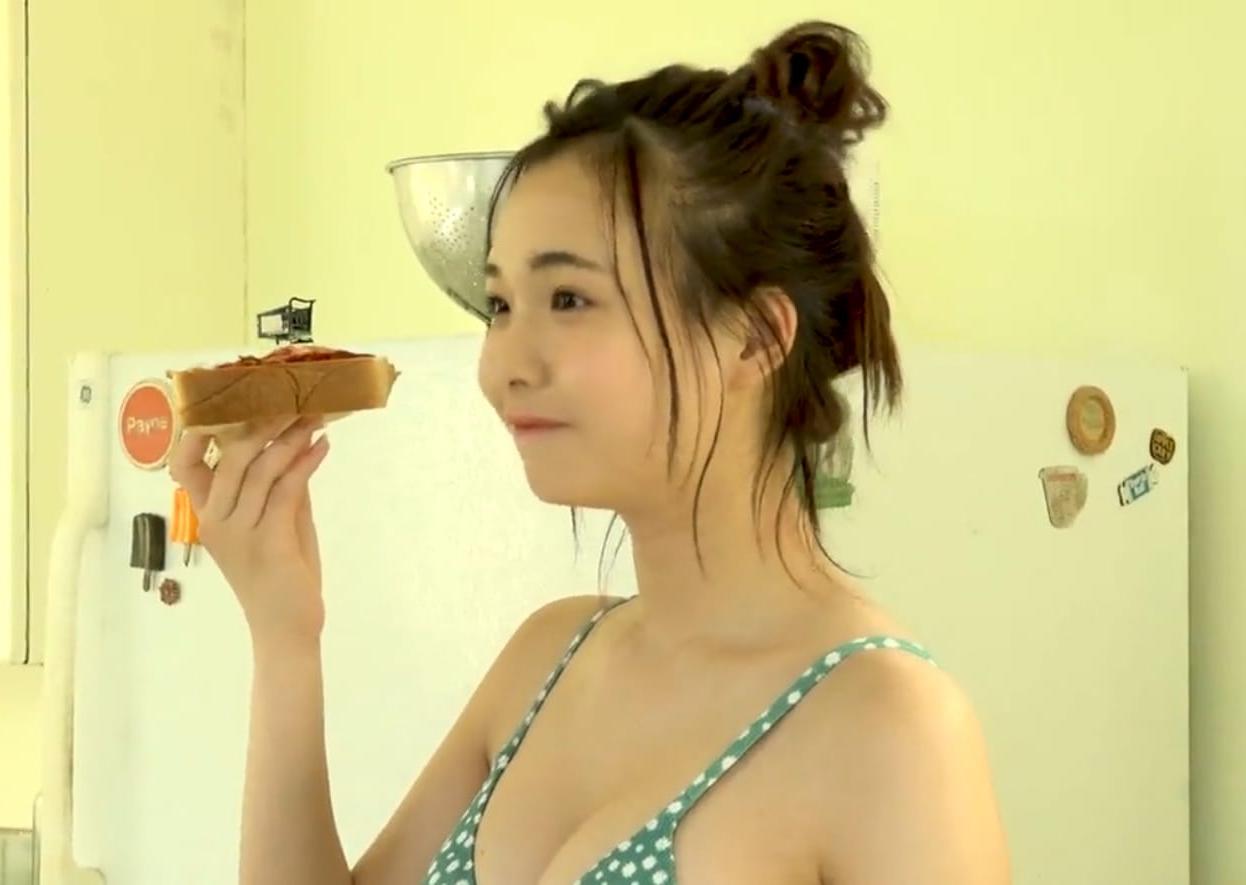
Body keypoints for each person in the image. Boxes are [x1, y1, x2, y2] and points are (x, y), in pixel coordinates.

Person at [169, 18, 1011, 885]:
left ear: (756, 337)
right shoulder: (548, 656)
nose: (503, 366)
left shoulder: (887, 724)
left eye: (568, 299)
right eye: (501, 305)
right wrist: (283, 634)